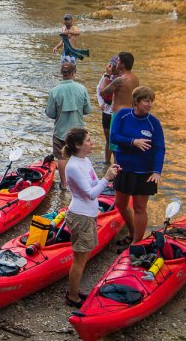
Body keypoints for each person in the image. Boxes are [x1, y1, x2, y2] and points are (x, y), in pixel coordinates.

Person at [62, 127, 120, 307]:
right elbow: (90, 194)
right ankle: (72, 296)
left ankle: (74, 290)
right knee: (79, 261)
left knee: (83, 257)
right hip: (80, 216)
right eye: (88, 140)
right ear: (78, 145)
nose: (91, 143)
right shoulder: (72, 166)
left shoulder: (84, 160)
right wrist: (107, 178)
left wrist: (108, 174)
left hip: (88, 215)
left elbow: (95, 183)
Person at [108, 85, 164, 245]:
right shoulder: (123, 115)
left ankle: (136, 243)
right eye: (146, 101)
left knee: (139, 207)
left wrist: (157, 171)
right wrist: (133, 142)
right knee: (120, 204)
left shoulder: (154, 123)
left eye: (150, 101)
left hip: (144, 172)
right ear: (136, 101)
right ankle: (133, 232)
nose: (149, 104)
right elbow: (114, 137)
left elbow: (160, 148)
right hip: (123, 168)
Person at [44, 57, 92, 191]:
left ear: (62, 74)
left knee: (61, 157)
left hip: (60, 130)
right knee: (79, 156)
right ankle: (81, 184)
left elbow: (49, 112)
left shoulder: (55, 91)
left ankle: (64, 184)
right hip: (78, 131)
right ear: (74, 73)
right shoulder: (81, 89)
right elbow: (88, 110)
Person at [99, 53, 140, 157]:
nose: (115, 62)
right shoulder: (135, 78)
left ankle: (117, 171)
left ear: (122, 64)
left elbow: (102, 92)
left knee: (116, 147)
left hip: (118, 116)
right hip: (131, 114)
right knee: (125, 145)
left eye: (117, 60)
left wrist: (106, 74)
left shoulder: (119, 80)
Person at [96, 57, 119, 165]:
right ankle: (106, 162)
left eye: (114, 66)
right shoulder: (106, 76)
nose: (112, 69)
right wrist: (101, 103)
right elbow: (98, 89)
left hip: (116, 111)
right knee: (108, 139)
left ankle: (116, 164)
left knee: (115, 140)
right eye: (110, 66)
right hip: (106, 111)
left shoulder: (122, 78)